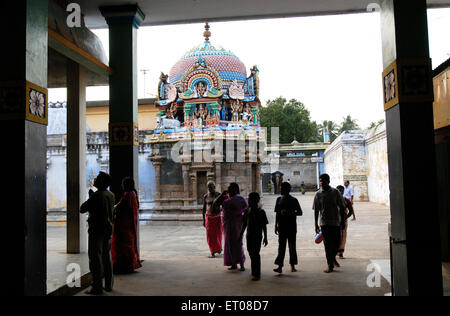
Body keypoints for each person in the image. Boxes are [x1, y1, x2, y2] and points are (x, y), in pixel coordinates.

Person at [80, 171, 115, 295]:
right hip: (108, 229)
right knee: (107, 256)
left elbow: (82, 209)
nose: (95, 179)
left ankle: (97, 287)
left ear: (101, 182)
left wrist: (91, 197)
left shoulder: (96, 196)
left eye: (97, 178)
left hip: (96, 230)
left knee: (95, 259)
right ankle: (109, 285)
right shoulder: (110, 195)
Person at [313, 174, 346, 273]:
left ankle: (332, 258)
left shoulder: (335, 192)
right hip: (324, 223)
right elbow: (316, 210)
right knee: (327, 245)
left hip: (336, 223)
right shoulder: (318, 194)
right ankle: (330, 265)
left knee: (336, 243)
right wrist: (315, 224)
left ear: (328, 181)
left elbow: (342, 207)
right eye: (321, 181)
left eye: (323, 181)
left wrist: (343, 221)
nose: (322, 182)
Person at [111, 177, 142, 274]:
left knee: (123, 246)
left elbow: (120, 207)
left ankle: (123, 267)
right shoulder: (132, 194)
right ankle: (128, 266)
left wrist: (114, 208)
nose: (122, 185)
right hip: (127, 225)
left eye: (123, 184)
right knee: (128, 246)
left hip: (124, 226)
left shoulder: (128, 195)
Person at [273, 182, 303, 274]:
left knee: (292, 246)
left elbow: (300, 212)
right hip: (282, 226)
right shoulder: (278, 199)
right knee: (281, 247)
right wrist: (276, 225)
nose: (280, 190)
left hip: (291, 226)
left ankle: (292, 265)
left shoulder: (294, 200)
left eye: (282, 188)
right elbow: (277, 213)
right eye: (281, 188)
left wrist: (289, 213)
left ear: (288, 190)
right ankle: (280, 266)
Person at [241, 192, 268, 281]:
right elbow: (244, 224)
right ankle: (255, 271)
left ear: (256, 200)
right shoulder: (247, 211)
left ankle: (256, 273)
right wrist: (241, 234)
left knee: (255, 253)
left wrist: (265, 237)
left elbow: (264, 225)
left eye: (251, 199)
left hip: (257, 235)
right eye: (249, 199)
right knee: (250, 252)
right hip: (249, 235)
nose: (249, 201)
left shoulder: (261, 212)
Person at [221, 183, 247, 271]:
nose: (228, 192)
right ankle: (235, 264)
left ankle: (238, 263)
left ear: (235, 190)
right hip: (236, 224)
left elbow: (223, 206)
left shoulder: (228, 201)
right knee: (236, 243)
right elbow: (245, 208)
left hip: (233, 225)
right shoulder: (241, 199)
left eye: (230, 190)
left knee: (233, 243)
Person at [202, 181, 222, 258]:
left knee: (218, 234)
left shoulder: (218, 195)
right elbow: (204, 209)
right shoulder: (206, 196)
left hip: (217, 217)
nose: (210, 188)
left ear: (214, 187)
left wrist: (221, 210)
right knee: (210, 235)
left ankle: (218, 248)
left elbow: (223, 205)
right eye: (209, 187)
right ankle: (212, 251)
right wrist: (203, 220)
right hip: (209, 218)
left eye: (211, 187)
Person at [336, 185, 355, 259]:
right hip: (334, 221)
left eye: (342, 190)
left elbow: (351, 211)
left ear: (343, 191)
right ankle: (335, 251)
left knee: (343, 236)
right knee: (336, 237)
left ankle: (341, 253)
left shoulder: (346, 200)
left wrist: (345, 218)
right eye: (339, 190)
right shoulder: (333, 200)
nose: (340, 192)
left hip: (343, 221)